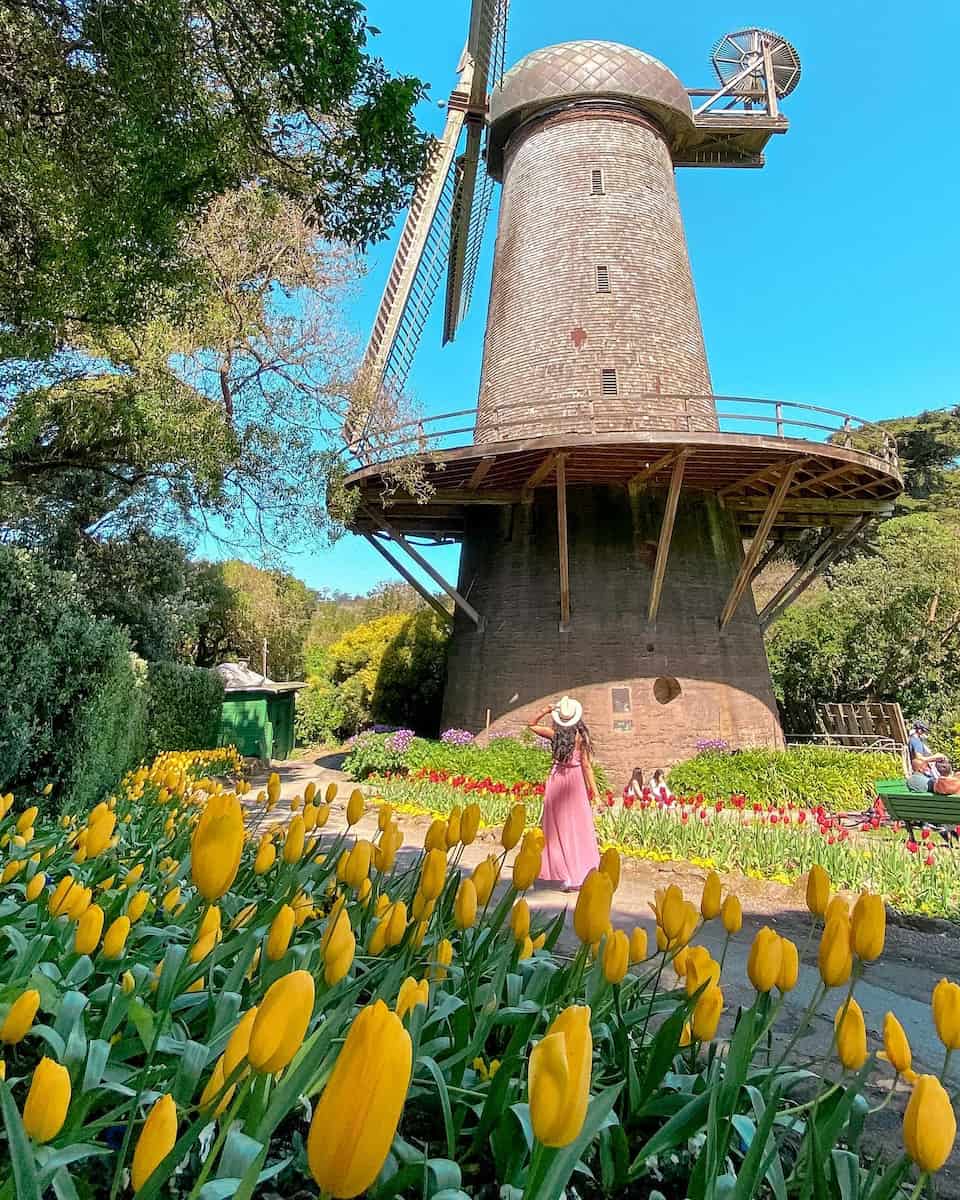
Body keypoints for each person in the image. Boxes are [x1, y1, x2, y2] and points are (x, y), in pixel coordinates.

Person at [528, 695, 600, 892]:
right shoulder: (581, 738)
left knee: (557, 828)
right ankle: (579, 872)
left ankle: (562, 874)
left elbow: (531, 724)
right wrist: (596, 794)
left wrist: (546, 709)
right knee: (578, 826)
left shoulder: (554, 734)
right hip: (575, 781)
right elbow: (587, 766)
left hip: (557, 779)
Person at [905, 720, 960, 794]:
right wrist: (936, 757)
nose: (924, 733)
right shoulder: (916, 741)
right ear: (919, 730)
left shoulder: (911, 739)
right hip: (923, 770)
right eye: (924, 731)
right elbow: (920, 758)